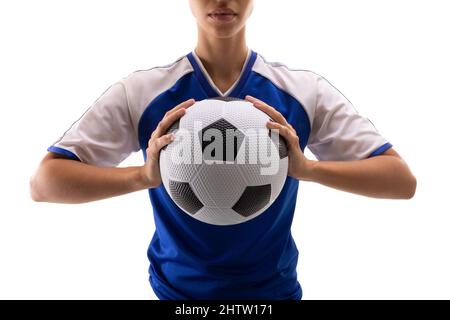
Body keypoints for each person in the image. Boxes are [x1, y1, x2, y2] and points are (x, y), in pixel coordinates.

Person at [30, 0, 417, 300]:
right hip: (177, 296)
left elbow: (401, 181)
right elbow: (44, 183)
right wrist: (141, 176)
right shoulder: (144, 92)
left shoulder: (302, 91)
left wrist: (307, 168)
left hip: (272, 295)